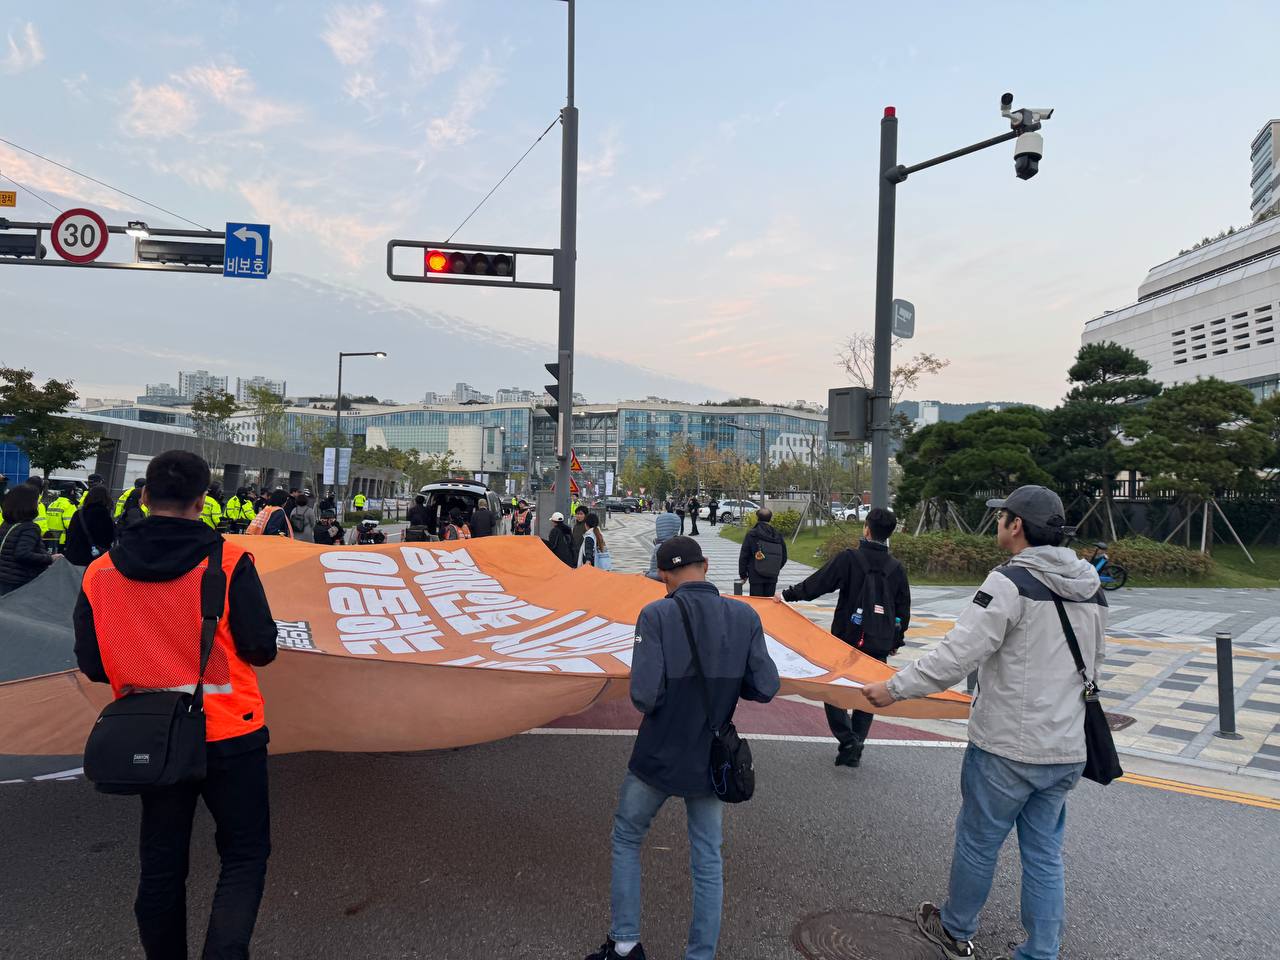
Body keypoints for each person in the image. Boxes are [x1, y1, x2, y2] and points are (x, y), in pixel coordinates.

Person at [862, 487, 1105, 960]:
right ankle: (1041, 951)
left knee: (978, 841)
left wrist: (893, 689)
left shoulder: (1009, 583)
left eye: (1002, 518)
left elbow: (958, 654)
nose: (997, 524)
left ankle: (956, 930)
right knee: (1044, 855)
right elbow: (1095, 664)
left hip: (1007, 747)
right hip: (1067, 747)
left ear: (1017, 526)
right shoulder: (1091, 586)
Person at [73, 449, 278, 960]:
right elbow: (261, 648)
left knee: (162, 866)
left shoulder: (101, 573)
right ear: (202, 500)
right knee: (244, 854)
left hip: (152, 737)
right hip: (232, 733)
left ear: (144, 497)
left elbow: (95, 665)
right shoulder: (227, 562)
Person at [584, 536, 780, 960]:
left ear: (663, 576)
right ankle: (700, 955)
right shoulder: (744, 616)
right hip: (710, 762)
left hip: (657, 754)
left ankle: (624, 944)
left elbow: (645, 696)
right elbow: (765, 686)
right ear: (706, 565)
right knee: (707, 858)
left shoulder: (656, 615)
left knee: (627, 836)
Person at [777, 506, 910, 768]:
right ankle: (856, 740)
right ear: (889, 534)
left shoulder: (850, 558)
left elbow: (818, 584)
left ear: (867, 529)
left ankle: (847, 739)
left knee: (831, 688)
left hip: (845, 638)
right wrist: (895, 640)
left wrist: (787, 596)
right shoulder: (896, 568)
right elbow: (902, 608)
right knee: (869, 692)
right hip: (878, 641)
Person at [0, 484, 58, 595]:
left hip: (3, 579)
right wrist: (50, 558)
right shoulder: (29, 527)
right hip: (19, 583)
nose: (38, 504)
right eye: (36, 500)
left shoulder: (6, 524)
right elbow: (23, 554)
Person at [739, 507, 787, 597]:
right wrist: (774, 567)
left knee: (756, 605)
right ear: (770, 519)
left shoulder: (752, 534)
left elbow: (744, 555)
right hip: (772, 576)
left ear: (757, 518)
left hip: (755, 575)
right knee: (768, 605)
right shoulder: (777, 535)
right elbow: (784, 557)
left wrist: (743, 574)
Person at [64, 485, 116, 566]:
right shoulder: (103, 514)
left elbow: (70, 533)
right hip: (92, 558)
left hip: (73, 557)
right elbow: (108, 538)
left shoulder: (78, 513)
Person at [645, 502, 682, 580]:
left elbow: (655, 571)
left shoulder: (660, 547)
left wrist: (647, 574)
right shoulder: (680, 545)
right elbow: (677, 562)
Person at [45, 486, 77, 551]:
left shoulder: (53, 503)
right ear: (72, 492)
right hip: (62, 540)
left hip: (50, 538)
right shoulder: (69, 504)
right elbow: (70, 524)